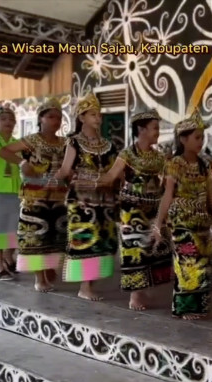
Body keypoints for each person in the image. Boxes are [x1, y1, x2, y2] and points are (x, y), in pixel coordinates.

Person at [79, 109, 172, 310]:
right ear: (141, 129)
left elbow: (165, 184)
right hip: (132, 210)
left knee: (153, 250)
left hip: (154, 209)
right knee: (134, 250)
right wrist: (87, 181)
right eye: (155, 128)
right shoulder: (127, 154)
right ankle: (135, 296)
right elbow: (110, 177)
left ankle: (143, 288)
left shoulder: (159, 157)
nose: (158, 132)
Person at [153, 109, 212, 320]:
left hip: (202, 221)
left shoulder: (204, 165)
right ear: (183, 139)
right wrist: (158, 223)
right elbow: (168, 195)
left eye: (202, 137)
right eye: (197, 137)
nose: (201, 141)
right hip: (181, 220)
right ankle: (184, 307)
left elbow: (211, 196)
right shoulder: (175, 164)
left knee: (204, 264)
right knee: (187, 262)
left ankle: (199, 306)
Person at [0, 98, 68, 292]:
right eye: (51, 117)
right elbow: (3, 151)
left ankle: (49, 269)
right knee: (36, 237)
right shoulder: (31, 140)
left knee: (55, 237)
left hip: (58, 197)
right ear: (40, 119)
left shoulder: (64, 143)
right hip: (34, 197)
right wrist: (22, 163)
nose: (56, 121)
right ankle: (39, 278)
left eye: (59, 117)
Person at [54, 92, 118, 301]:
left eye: (99, 114)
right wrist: (56, 178)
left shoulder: (108, 144)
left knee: (103, 242)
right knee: (85, 241)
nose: (98, 118)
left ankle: (91, 284)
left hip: (105, 200)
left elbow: (114, 172)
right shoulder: (74, 142)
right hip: (82, 201)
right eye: (93, 114)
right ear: (81, 117)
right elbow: (66, 170)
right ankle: (84, 287)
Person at [0, 105, 20, 280]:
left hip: (15, 190)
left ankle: (9, 259)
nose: (8, 122)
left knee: (12, 228)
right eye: (3, 119)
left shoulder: (17, 142)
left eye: (11, 119)